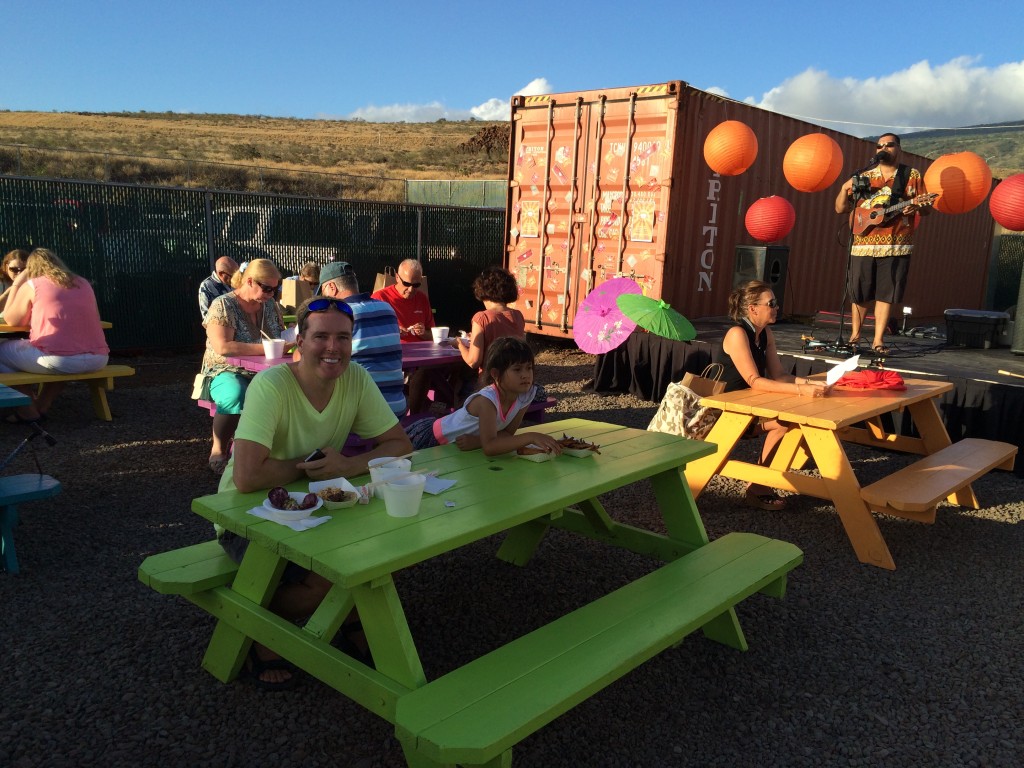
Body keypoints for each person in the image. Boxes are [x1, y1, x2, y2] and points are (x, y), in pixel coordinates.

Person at [219, 295, 413, 687]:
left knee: (376, 548)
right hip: (242, 513)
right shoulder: (271, 384)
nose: (332, 347)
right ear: (299, 342)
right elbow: (246, 478)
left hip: (313, 503)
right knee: (326, 579)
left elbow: (400, 445)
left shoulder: (355, 377)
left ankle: (352, 615)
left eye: (342, 338)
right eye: (321, 336)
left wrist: (347, 466)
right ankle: (258, 622)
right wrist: (312, 472)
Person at [720, 280, 831, 510]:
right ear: (753, 308)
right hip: (724, 410)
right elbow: (755, 381)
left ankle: (760, 482)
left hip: (749, 405)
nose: (777, 307)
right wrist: (801, 389)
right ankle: (760, 484)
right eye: (771, 303)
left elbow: (779, 375)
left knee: (793, 420)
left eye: (775, 302)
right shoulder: (737, 333)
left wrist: (813, 383)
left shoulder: (765, 333)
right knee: (783, 422)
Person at [834, 133, 930, 355]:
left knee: (886, 293)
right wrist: (843, 188)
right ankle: (854, 338)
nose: (883, 148)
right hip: (863, 242)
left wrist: (916, 207)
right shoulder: (864, 176)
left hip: (896, 243)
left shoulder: (911, 175)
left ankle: (878, 340)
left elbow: (926, 209)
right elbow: (840, 209)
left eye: (889, 145)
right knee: (859, 293)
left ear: (899, 148)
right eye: (879, 146)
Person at [0, 248, 109, 423]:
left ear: (30, 269)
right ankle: (42, 405)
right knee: (60, 355)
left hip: (62, 360)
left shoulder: (33, 284)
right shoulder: (83, 282)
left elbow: (11, 319)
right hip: (99, 358)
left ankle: (27, 409)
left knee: (2, 352)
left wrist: (16, 285)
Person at [405, 336, 562, 457]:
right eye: (517, 369)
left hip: (457, 449)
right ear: (495, 374)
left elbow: (507, 434)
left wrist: (478, 441)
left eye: (529, 368)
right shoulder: (487, 400)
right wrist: (531, 436)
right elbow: (490, 447)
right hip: (433, 440)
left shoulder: (526, 395)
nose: (525, 375)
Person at [200, 259, 284, 475]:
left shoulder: (270, 306)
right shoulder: (223, 305)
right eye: (267, 288)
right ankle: (218, 448)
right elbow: (223, 347)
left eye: (275, 289)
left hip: (265, 370)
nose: (272, 294)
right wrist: (266, 349)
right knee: (236, 394)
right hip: (226, 370)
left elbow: (281, 336)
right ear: (249, 281)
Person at [317, 261, 406, 416]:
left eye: (323, 292)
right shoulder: (387, 309)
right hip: (396, 408)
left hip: (361, 414)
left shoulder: (340, 315)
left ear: (332, 287)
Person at [454, 266, 526, 373]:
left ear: (482, 290)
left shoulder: (482, 317)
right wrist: (475, 336)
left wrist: (459, 344)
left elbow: (473, 362)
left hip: (491, 382)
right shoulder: (518, 315)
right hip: (513, 379)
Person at [371, 258, 433, 342]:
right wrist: (392, 333)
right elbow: (369, 333)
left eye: (416, 285)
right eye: (406, 284)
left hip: (421, 352)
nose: (411, 289)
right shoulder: (379, 298)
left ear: (421, 281)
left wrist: (423, 333)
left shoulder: (422, 298)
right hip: (392, 351)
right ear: (397, 277)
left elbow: (433, 335)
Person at [198, 256, 239, 320]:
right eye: (232, 276)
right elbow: (206, 316)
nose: (236, 278)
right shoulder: (207, 286)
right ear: (221, 273)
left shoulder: (235, 282)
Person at [0, 248, 28, 313]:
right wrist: (11, 290)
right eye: (14, 269)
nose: (19, 273)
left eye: (24, 270)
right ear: (6, 267)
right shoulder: (2, 283)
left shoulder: (33, 283)